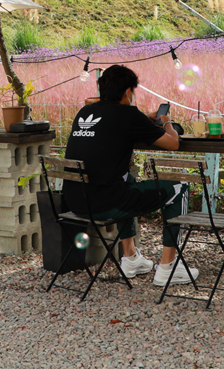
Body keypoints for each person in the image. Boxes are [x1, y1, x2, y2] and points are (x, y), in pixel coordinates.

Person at [64, 65, 197, 286]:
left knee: (125, 178)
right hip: (105, 203)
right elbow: (173, 143)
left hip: (76, 201)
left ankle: (131, 258)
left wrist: (144, 118)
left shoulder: (85, 112)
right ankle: (168, 267)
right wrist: (166, 122)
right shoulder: (128, 115)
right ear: (128, 91)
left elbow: (112, 123)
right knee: (179, 188)